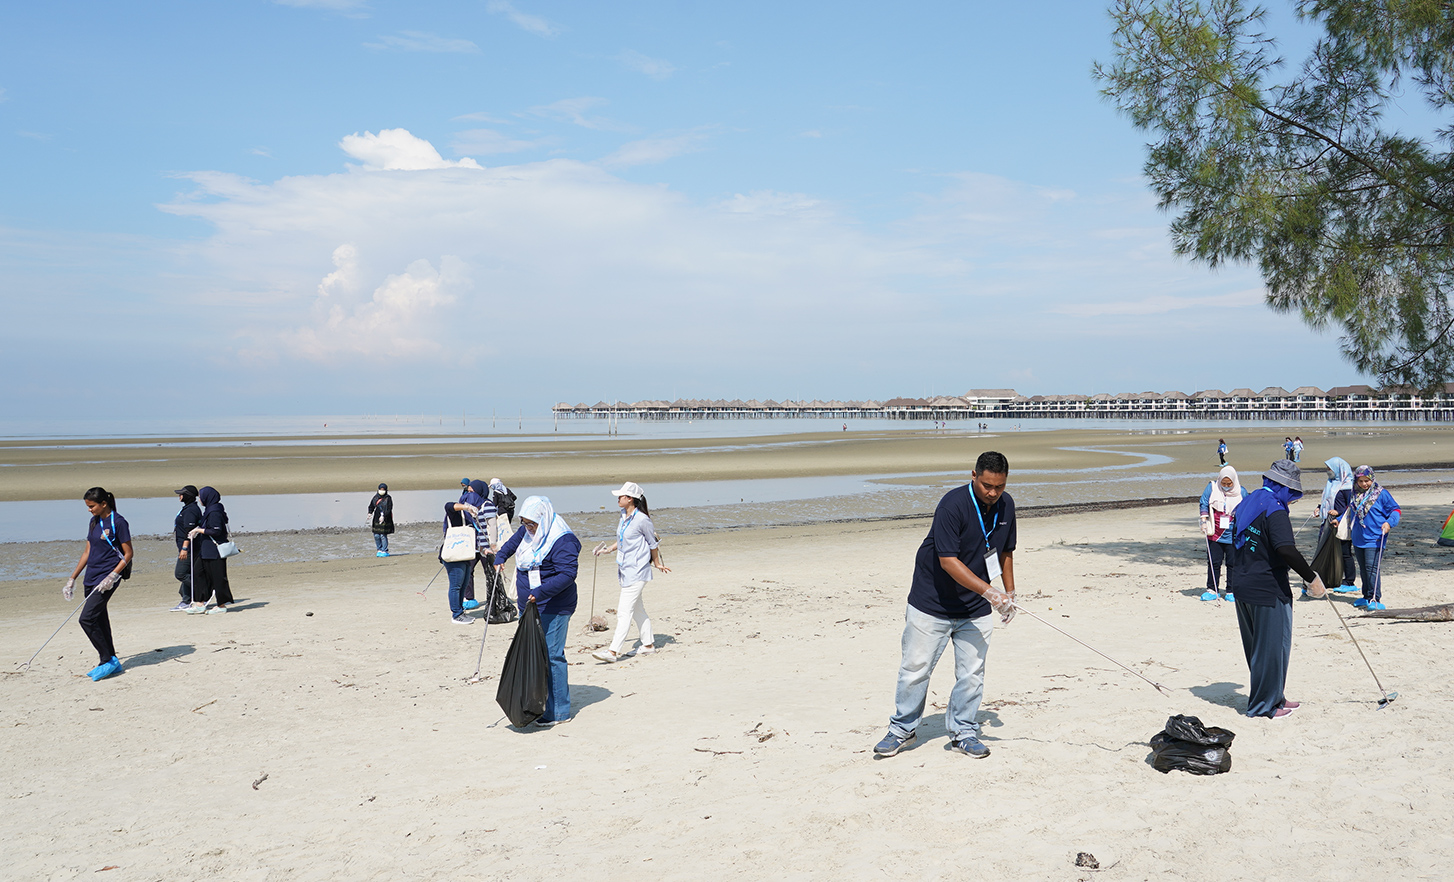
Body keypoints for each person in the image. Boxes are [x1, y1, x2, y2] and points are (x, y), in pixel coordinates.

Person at [873, 451, 1018, 760]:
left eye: (1000, 486)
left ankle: (964, 731)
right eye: (987, 485)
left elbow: (1005, 551)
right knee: (915, 670)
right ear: (974, 476)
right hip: (932, 603)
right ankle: (902, 729)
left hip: (974, 607)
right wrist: (992, 594)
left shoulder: (1006, 505)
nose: (993, 493)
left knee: (972, 674)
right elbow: (948, 562)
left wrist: (1010, 593)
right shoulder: (952, 505)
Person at [1227, 461, 1326, 718]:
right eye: (1292, 496)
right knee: (1271, 648)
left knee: (1260, 648)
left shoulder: (1247, 502)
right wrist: (1311, 577)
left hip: (1242, 584)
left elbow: (1233, 544)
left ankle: (1275, 697)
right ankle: (1264, 706)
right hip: (1267, 588)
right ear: (1284, 488)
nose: (1291, 501)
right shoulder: (1274, 509)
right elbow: (1285, 549)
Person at [496, 497, 581, 726]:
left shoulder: (562, 539)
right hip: (529, 605)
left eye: (532, 524)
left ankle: (559, 712)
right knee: (534, 654)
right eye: (524, 523)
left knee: (552, 656)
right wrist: (500, 557)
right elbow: (513, 543)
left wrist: (541, 592)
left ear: (542, 519)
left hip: (554, 605)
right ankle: (537, 702)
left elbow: (567, 574)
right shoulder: (527, 531)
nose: (528, 528)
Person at [592, 482, 671, 663]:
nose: (618, 498)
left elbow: (653, 544)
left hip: (638, 571)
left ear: (630, 499)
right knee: (637, 610)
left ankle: (613, 652)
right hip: (625, 569)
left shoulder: (643, 520)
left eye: (621, 496)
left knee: (624, 612)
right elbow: (622, 539)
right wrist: (608, 550)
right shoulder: (623, 515)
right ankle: (649, 645)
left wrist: (657, 564)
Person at [64, 487, 133, 681]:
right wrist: (73, 578)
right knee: (100, 618)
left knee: (86, 619)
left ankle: (106, 660)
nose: (89, 510)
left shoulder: (118, 522)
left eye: (92, 506)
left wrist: (112, 576)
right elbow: (87, 551)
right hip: (91, 577)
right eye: (87, 506)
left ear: (104, 504)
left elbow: (128, 553)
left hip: (107, 578)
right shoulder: (94, 521)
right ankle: (112, 660)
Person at [1348, 465, 1401, 611]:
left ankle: (1374, 598)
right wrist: (1338, 519)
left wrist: (1389, 523)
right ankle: (1366, 596)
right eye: (1361, 481)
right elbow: (1349, 512)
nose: (1364, 484)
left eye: (1367, 480)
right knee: (1363, 568)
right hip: (1358, 537)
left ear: (1372, 479)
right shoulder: (1353, 494)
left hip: (1376, 537)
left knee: (1372, 568)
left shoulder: (1382, 494)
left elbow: (1396, 510)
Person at [1197, 466, 1245, 601]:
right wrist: (1204, 521)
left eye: (1229, 484)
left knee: (1233, 563)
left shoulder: (1241, 492)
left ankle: (1231, 590)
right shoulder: (1212, 488)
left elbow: (1247, 510)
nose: (1226, 486)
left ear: (1234, 482)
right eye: (1223, 483)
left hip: (1233, 536)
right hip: (1215, 534)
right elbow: (1204, 503)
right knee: (1214, 562)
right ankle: (1212, 589)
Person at [186, 486, 236, 614]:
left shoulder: (214, 511)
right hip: (206, 550)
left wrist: (198, 530)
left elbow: (216, 530)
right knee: (198, 574)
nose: (200, 499)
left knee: (218, 578)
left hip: (215, 551)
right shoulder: (209, 509)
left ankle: (221, 605)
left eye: (201, 496)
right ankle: (200, 603)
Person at [1316, 457, 1358, 594]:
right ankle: (1325, 578)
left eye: (1330, 469)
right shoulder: (1331, 483)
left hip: (1342, 523)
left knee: (1345, 553)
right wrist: (1319, 507)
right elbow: (1327, 500)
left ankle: (1349, 581)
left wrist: (1338, 514)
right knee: (1323, 550)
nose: (1328, 471)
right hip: (1328, 521)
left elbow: (1351, 506)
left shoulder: (1347, 486)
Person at [441, 495, 483, 624]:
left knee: (464, 584)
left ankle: (460, 611)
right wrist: (466, 507)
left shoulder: (470, 518)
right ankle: (456, 614)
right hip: (454, 555)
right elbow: (448, 505)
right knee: (456, 585)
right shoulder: (456, 514)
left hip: (465, 554)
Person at [171, 485, 202, 611]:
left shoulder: (191, 511)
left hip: (189, 549)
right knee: (188, 573)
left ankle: (203, 589)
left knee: (181, 573)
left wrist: (184, 549)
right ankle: (186, 600)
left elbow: (189, 531)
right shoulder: (188, 508)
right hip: (186, 548)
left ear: (187, 496)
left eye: (181, 494)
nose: (179, 495)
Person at [368, 483, 395, 557]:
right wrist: (370, 513)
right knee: (376, 534)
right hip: (376, 518)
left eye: (383, 490)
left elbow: (389, 508)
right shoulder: (375, 497)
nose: (382, 491)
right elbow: (371, 506)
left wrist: (383, 516)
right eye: (381, 489)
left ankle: (384, 550)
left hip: (386, 518)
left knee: (383, 535)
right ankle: (379, 549)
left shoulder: (388, 498)